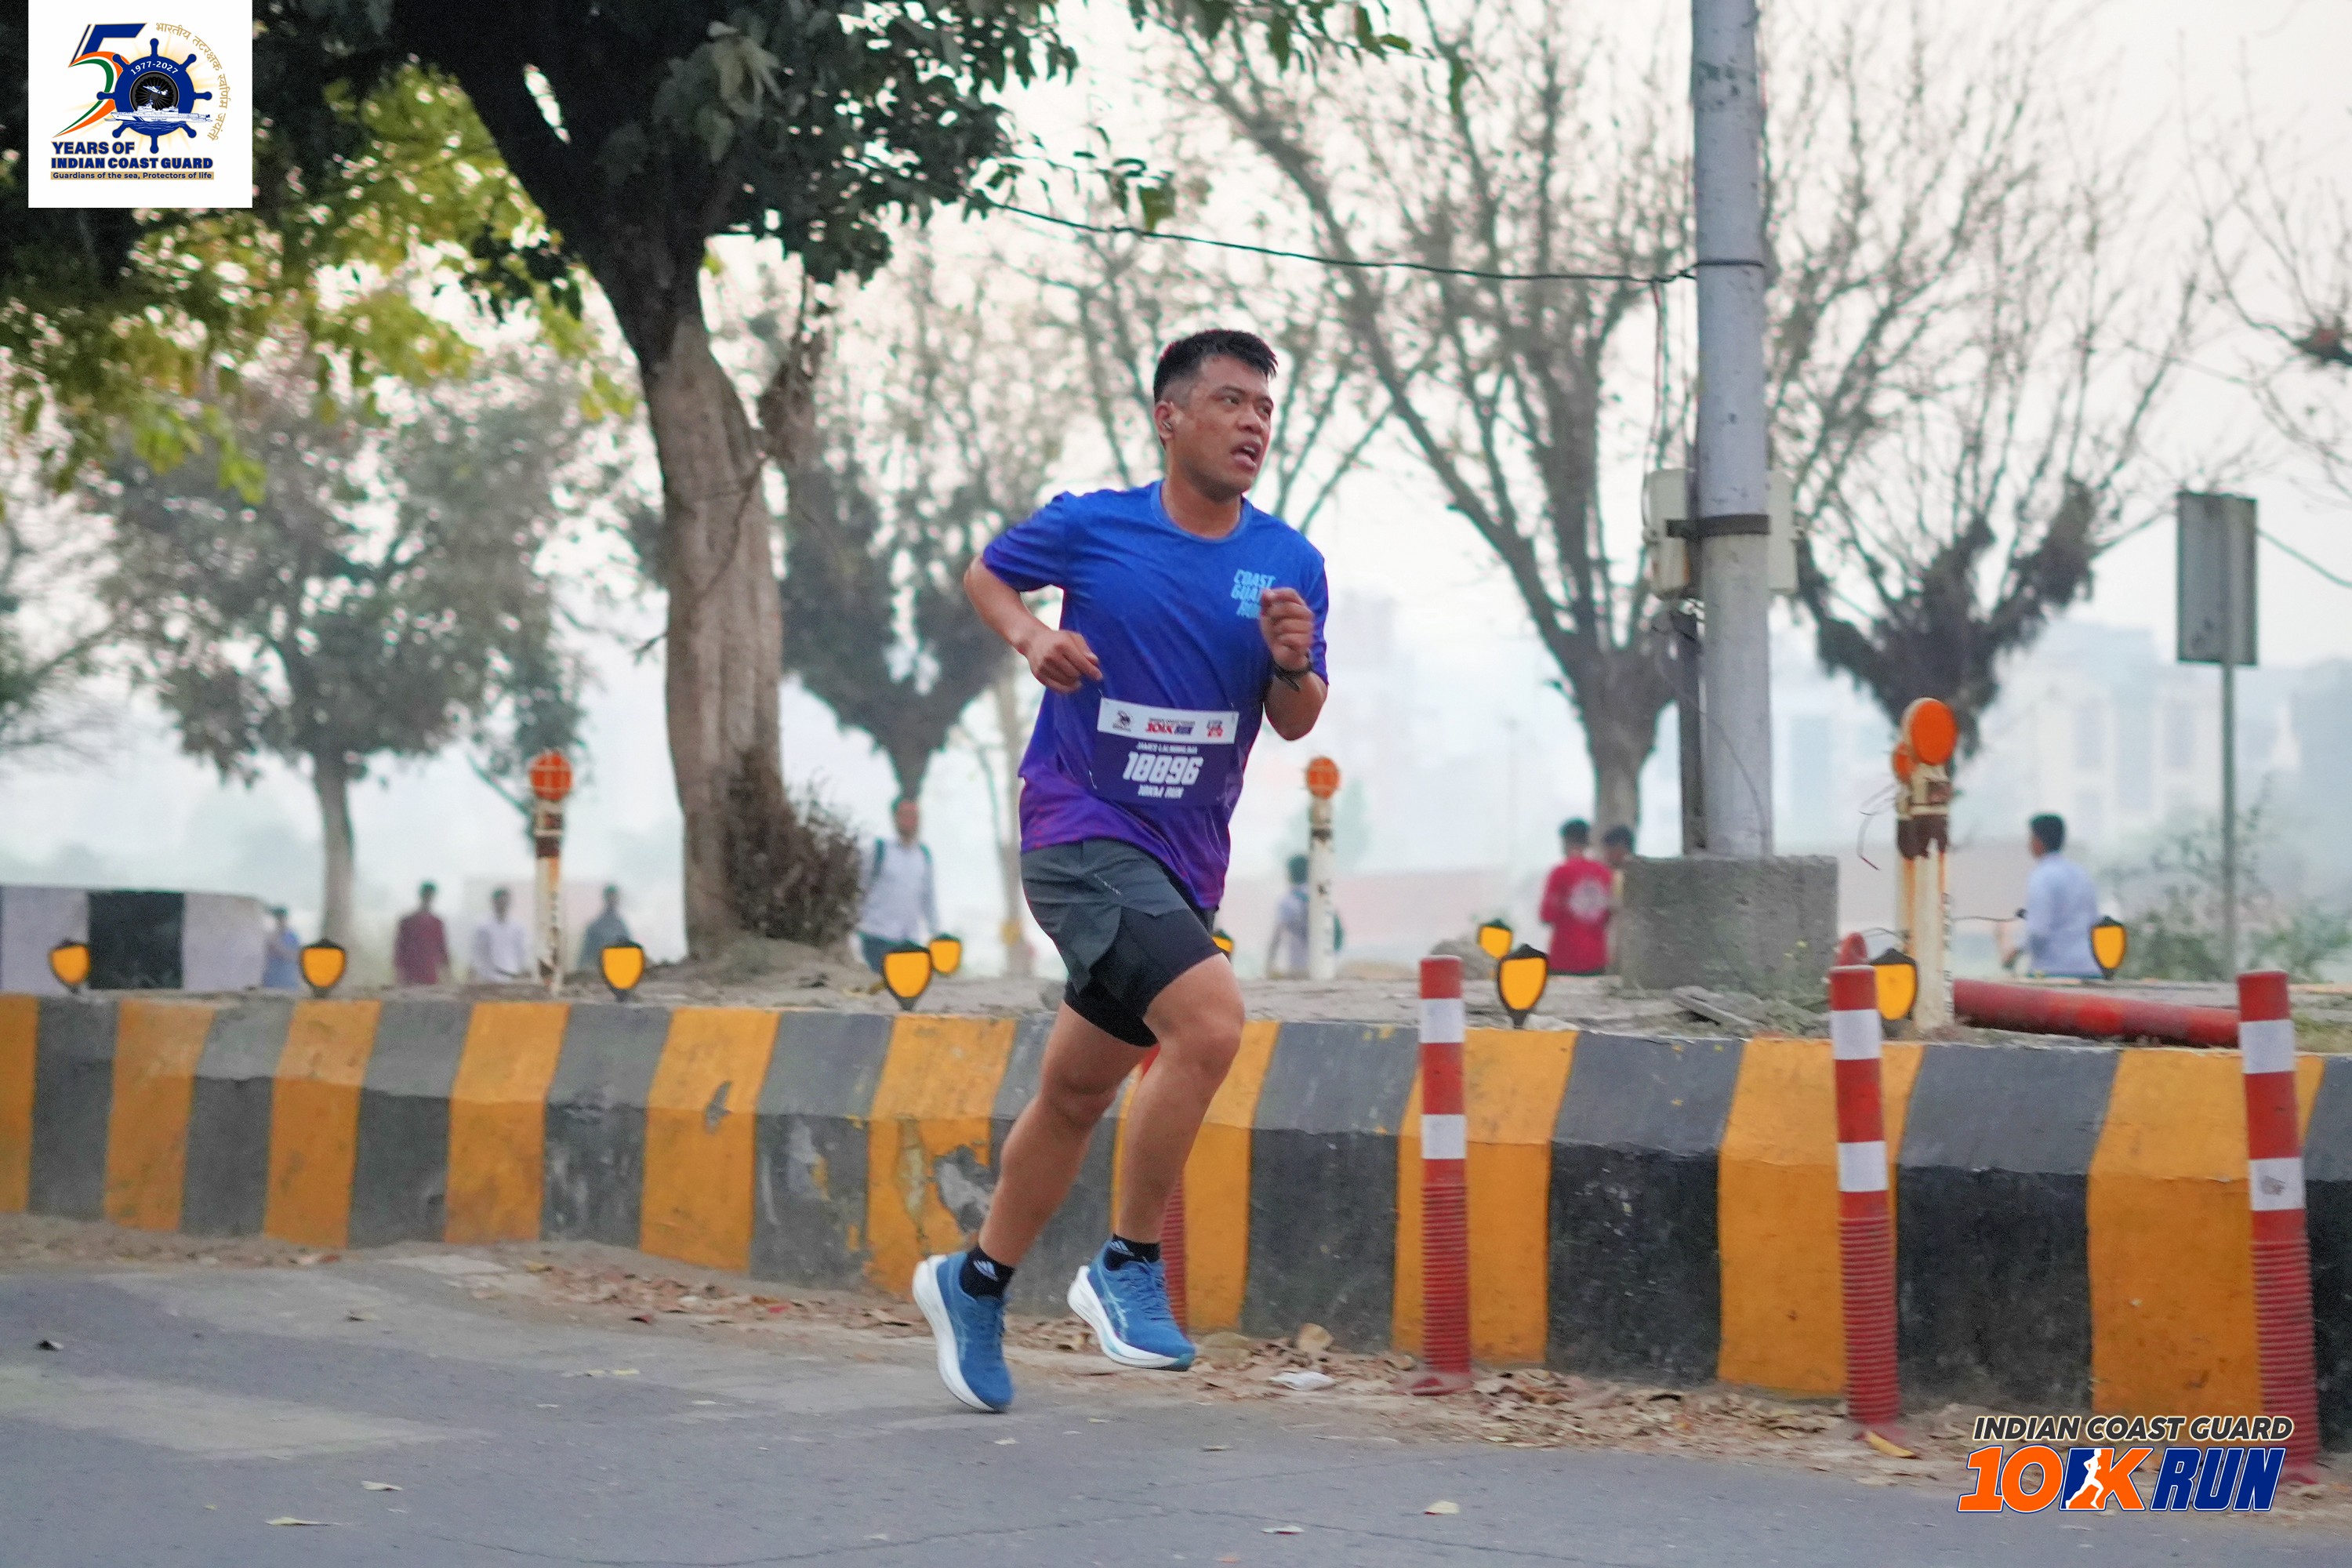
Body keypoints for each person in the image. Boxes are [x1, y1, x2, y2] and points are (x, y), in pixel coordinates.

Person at [915, 328, 1329, 1414]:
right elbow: (988, 574)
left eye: (1264, 408)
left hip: (1184, 858)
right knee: (1211, 1022)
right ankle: (1128, 1263)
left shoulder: (1288, 565)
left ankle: (975, 1282)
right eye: (1230, 401)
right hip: (1080, 830)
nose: (1252, 423)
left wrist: (1291, 662)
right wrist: (1030, 639)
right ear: (1169, 416)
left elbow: (1295, 719)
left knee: (1077, 1091)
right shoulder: (1094, 526)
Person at [2004, 813, 2103, 978]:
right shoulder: (2081, 874)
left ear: (2037, 841)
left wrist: (2015, 951)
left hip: (2053, 971)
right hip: (2089, 969)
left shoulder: (2042, 876)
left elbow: (2038, 931)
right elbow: (2094, 922)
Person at [855, 798, 938, 973]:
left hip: (909, 941)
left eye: (914, 816)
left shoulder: (923, 856)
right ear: (895, 818)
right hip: (877, 937)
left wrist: (936, 933)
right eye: (905, 815)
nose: (910, 821)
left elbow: (928, 898)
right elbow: (860, 888)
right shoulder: (879, 850)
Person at [1539, 818, 1614, 976]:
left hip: (1564, 960)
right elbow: (1608, 915)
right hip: (1596, 959)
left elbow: (1546, 916)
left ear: (1566, 841)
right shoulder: (1605, 873)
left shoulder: (1560, 873)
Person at [1265, 853, 1344, 978]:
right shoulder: (1322, 894)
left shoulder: (1288, 901)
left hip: (1299, 968)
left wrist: (1269, 965)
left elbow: (1276, 937)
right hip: (1327, 966)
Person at [393, 882, 450, 986]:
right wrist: (399, 975)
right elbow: (400, 950)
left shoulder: (437, 923)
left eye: (430, 895)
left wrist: (447, 975)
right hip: (410, 977)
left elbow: (442, 949)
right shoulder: (407, 922)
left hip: (430, 976)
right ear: (422, 895)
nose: (428, 898)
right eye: (426, 894)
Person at [469, 887, 532, 982]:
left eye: (505, 900)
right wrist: (474, 971)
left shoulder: (518, 927)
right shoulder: (482, 926)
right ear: (493, 902)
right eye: (499, 900)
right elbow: (477, 951)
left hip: (512, 977)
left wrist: (523, 971)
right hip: (487, 978)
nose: (502, 903)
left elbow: (522, 952)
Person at [577, 884, 632, 973]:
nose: (613, 900)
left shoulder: (621, 926)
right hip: (599, 973)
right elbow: (585, 955)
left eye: (615, 897)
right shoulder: (595, 927)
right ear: (606, 899)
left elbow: (630, 950)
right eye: (611, 897)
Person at [261, 907, 303, 990]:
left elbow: (294, 956)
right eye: (277, 918)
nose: (278, 921)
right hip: (270, 981)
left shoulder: (292, 937)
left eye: (280, 918)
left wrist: (278, 947)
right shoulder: (270, 936)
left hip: (287, 982)